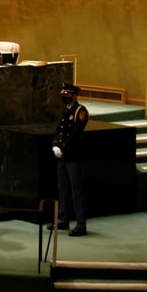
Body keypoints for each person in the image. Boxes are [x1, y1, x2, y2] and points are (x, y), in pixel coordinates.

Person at [52, 82, 89, 237]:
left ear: (74, 95)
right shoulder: (65, 110)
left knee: (76, 191)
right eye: (63, 94)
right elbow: (59, 129)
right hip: (62, 156)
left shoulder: (80, 111)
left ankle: (81, 224)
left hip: (73, 156)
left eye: (67, 94)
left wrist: (63, 148)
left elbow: (75, 133)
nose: (65, 97)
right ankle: (63, 219)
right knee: (63, 189)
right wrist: (55, 144)